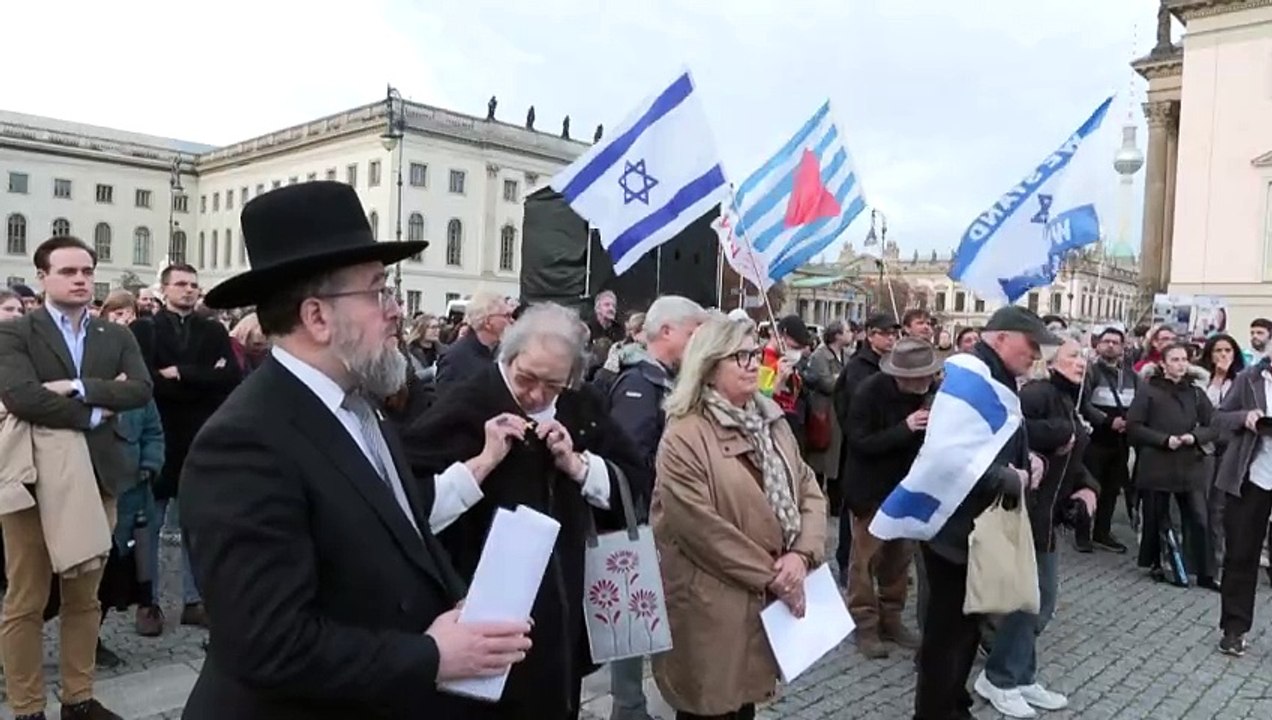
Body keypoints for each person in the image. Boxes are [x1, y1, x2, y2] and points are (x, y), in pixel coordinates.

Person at [179, 182, 533, 719]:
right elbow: (270, 644)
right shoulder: (244, 443)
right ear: (317, 317)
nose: (395, 311)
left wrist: (458, 608)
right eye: (377, 291)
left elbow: (399, 534)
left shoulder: (361, 406)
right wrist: (432, 655)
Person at [405, 302, 648, 720]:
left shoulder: (580, 405)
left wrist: (580, 466)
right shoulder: (468, 402)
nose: (536, 395)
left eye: (552, 385)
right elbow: (410, 506)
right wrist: (480, 464)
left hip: (566, 615)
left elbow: (635, 480)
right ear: (508, 354)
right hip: (485, 620)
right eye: (526, 379)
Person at [0, 235, 154, 720]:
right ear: (43, 276)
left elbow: (141, 391)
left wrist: (77, 387)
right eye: (69, 271)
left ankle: (78, 697)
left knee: (85, 596)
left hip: (99, 476)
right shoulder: (17, 333)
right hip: (34, 480)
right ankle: (27, 707)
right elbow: (21, 396)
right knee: (26, 597)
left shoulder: (117, 335)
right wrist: (93, 411)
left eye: (87, 270)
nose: (82, 279)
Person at [652, 317, 826, 720]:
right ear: (709, 366)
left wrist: (801, 556)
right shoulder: (684, 435)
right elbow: (700, 529)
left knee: (745, 704)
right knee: (711, 707)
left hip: (763, 602)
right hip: (711, 606)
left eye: (754, 353)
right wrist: (775, 576)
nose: (753, 364)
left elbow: (810, 491)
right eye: (740, 356)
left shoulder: (771, 421)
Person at [912, 307, 1058, 720]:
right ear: (1001, 338)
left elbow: (988, 441)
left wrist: (1025, 456)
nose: (1035, 354)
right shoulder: (971, 378)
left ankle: (953, 705)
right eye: (1029, 344)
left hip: (973, 526)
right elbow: (949, 454)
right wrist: (1008, 478)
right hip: (954, 529)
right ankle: (936, 713)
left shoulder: (993, 377)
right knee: (948, 635)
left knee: (965, 628)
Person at [974, 338, 1098, 718]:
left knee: (1039, 602)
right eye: (1074, 355)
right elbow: (1016, 431)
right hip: (1023, 511)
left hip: (1047, 517)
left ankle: (1021, 674)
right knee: (1026, 602)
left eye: (1083, 356)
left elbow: (1074, 459)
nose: (1082, 361)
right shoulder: (1039, 393)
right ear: (1051, 361)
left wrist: (1088, 487)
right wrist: (1061, 432)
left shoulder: (1073, 399)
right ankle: (999, 677)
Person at [605, 296, 706, 720]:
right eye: (692, 333)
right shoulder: (639, 385)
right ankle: (628, 706)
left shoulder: (666, 381)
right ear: (666, 332)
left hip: (658, 519)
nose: (698, 342)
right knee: (633, 614)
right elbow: (630, 459)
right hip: (638, 519)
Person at [130, 263, 241, 629]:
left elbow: (228, 377)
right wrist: (200, 377)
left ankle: (195, 600)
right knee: (150, 524)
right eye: (181, 284)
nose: (189, 290)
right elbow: (145, 379)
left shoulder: (211, 330)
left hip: (199, 437)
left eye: (194, 284)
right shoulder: (144, 329)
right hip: (159, 435)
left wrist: (181, 372)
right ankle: (148, 603)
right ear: (164, 289)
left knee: (195, 525)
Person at [841, 337, 937, 659]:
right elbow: (860, 442)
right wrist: (905, 428)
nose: (927, 381)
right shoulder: (869, 392)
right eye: (921, 377)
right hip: (870, 490)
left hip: (906, 489)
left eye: (929, 374)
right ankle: (864, 624)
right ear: (901, 376)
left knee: (899, 559)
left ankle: (891, 618)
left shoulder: (929, 395)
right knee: (865, 560)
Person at [1127, 343, 1219, 588]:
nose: (1180, 364)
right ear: (1164, 364)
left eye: (1184, 359)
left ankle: (1206, 572)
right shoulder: (1148, 391)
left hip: (1189, 465)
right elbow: (1134, 426)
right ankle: (1157, 563)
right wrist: (1163, 440)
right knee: (1157, 517)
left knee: (1199, 518)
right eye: (1175, 359)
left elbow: (1213, 426)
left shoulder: (1196, 393)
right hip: (1157, 463)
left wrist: (1195, 437)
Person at [1081, 326, 1140, 551]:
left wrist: (1131, 421)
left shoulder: (1132, 376)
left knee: (1112, 488)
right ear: (1098, 344)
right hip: (1097, 438)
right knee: (1090, 486)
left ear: (1123, 347)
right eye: (1106, 341)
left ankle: (1102, 532)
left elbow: (1140, 402)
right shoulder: (1091, 372)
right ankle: (1083, 532)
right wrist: (1106, 420)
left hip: (1121, 440)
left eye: (1116, 342)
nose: (1111, 345)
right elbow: (1084, 403)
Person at [1197, 333, 1245, 570]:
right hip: (1204, 448)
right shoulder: (1201, 379)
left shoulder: (1242, 381)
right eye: (1218, 351)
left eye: (1227, 351)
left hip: (1230, 449)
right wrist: (1217, 377)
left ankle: (1217, 562)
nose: (1223, 355)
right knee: (1201, 504)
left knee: (1220, 508)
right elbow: (1205, 411)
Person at [805, 321, 850, 511]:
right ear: (837, 335)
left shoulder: (846, 356)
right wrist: (841, 380)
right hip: (823, 414)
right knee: (821, 461)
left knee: (837, 462)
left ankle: (836, 503)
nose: (851, 334)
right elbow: (826, 383)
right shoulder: (819, 356)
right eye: (847, 331)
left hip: (840, 414)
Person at [434, 292, 512, 386]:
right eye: (506, 316)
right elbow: (447, 398)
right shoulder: (456, 359)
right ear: (487, 322)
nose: (511, 320)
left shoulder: (499, 352)